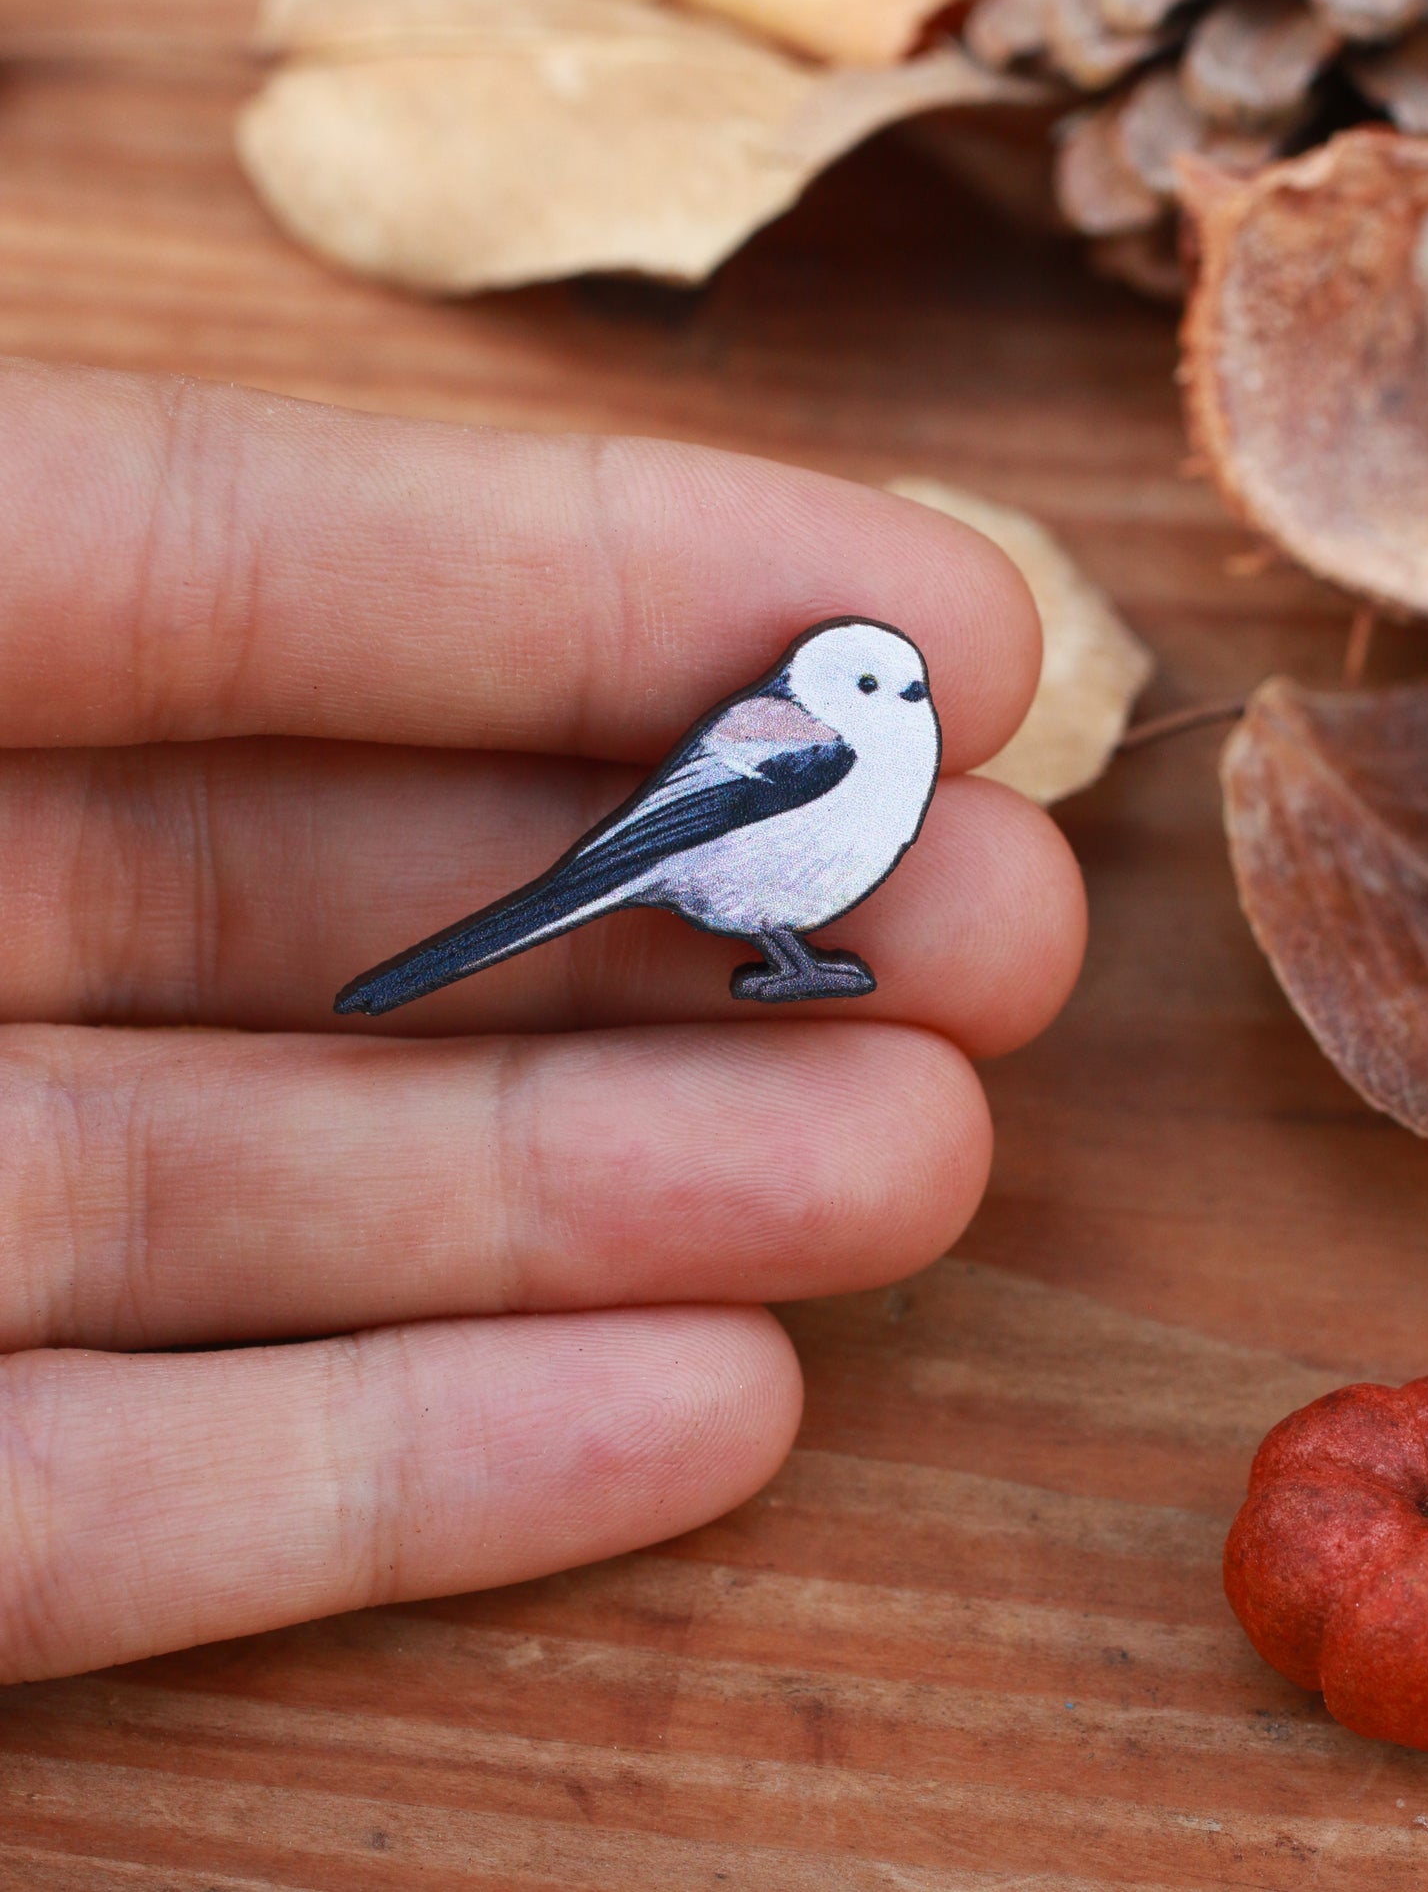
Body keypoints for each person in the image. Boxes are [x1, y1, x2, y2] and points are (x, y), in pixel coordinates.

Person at [0, 359, 1086, 1684]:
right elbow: (694, 818)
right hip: (690, 861)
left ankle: (781, 957)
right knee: (567, 914)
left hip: (739, 896)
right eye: (877, 691)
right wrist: (608, 875)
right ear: (828, 692)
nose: (903, 708)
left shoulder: (869, 735)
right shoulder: (808, 741)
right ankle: (720, 955)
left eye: (904, 688)